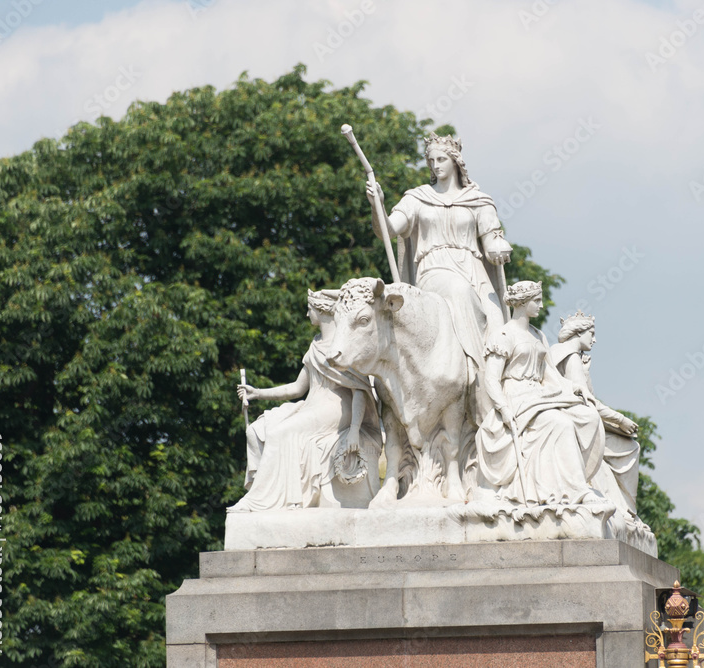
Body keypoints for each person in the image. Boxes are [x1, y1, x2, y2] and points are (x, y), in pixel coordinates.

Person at [365, 132, 512, 368]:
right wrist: (377, 205)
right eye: (431, 161)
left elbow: (491, 240)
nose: (435, 165)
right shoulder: (417, 198)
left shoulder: (478, 200)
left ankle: (500, 380)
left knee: (498, 324)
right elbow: (387, 230)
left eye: (441, 159)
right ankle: (476, 370)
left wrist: (498, 248)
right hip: (434, 269)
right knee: (459, 290)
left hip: (474, 272)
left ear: (455, 161)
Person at [229, 289, 382, 512]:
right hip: (313, 405)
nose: (307, 314)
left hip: (337, 408)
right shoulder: (315, 345)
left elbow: (360, 391)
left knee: (281, 433)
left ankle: (263, 500)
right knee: (257, 429)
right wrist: (257, 393)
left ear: (322, 310)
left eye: (310, 309)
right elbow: (297, 388)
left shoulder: (342, 346)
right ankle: (265, 494)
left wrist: (354, 430)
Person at [474, 281, 604, 506]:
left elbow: (550, 375)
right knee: (561, 423)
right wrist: (503, 408)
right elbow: (491, 379)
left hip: (542, 395)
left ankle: (569, 481)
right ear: (522, 303)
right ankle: (575, 490)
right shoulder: (503, 335)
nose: (541, 305)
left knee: (588, 417)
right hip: (517, 397)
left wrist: (575, 388)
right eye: (537, 300)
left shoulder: (538, 335)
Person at [549, 311, 643, 519]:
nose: (594, 339)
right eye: (591, 333)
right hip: (579, 424)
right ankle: (626, 511)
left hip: (581, 420)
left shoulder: (567, 355)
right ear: (578, 333)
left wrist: (585, 372)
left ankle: (626, 510)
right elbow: (589, 402)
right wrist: (620, 420)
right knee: (629, 447)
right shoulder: (570, 357)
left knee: (627, 444)